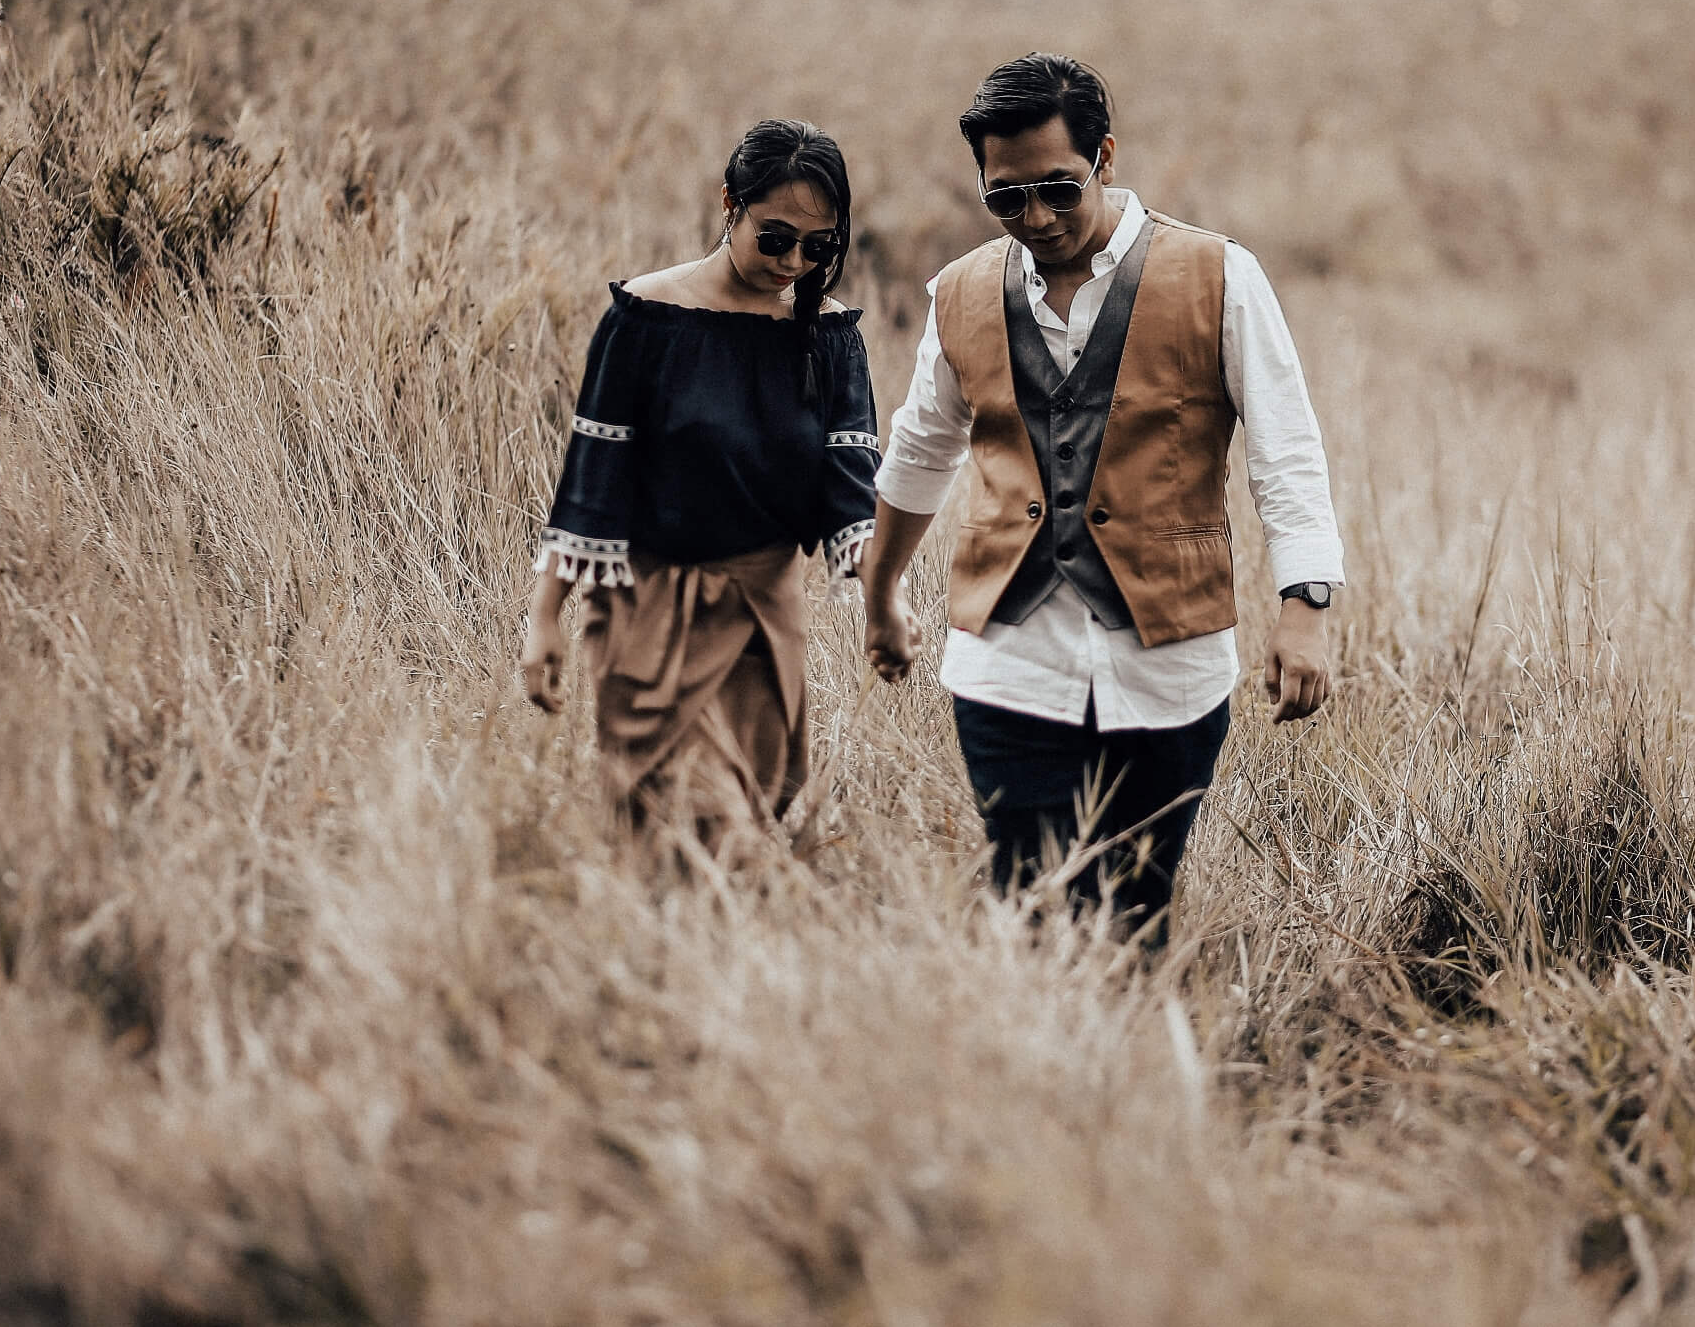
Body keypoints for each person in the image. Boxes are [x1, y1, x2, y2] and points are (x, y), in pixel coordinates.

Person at [860, 54, 1343, 945]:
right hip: (1006, 660)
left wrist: (1303, 608)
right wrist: (881, 590)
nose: (1035, 217)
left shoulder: (1220, 276)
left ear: (1105, 158)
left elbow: (1287, 451)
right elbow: (921, 449)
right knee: (1028, 903)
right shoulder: (960, 292)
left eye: (1058, 189)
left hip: (1169, 665)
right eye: (1006, 197)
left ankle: (1128, 1071)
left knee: (1133, 910)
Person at [521, 119, 879, 849]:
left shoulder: (831, 337)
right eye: (775, 237)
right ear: (728, 204)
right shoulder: (647, 318)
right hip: (646, 615)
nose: (794, 262)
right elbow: (594, 481)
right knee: (697, 820)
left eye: (819, 248)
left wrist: (886, 600)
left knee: (739, 817)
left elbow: (853, 494)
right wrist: (542, 619)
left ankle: (678, 952)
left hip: (762, 617)